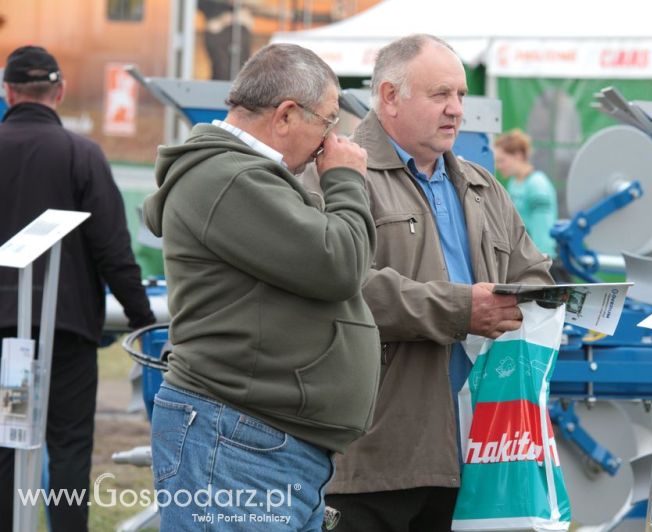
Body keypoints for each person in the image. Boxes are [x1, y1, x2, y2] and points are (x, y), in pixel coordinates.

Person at [142, 43, 380, 530]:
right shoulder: (228, 178)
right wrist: (345, 182)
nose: (329, 141)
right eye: (328, 122)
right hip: (237, 440)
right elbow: (339, 262)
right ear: (288, 115)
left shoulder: (240, 174)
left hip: (254, 439)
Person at [324, 34, 554, 531]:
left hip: (477, 448)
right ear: (389, 97)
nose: (455, 110)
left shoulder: (479, 184)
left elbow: (531, 271)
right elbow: (340, 285)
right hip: (374, 455)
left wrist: (539, 299)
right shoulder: (340, 176)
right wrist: (457, 309)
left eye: (461, 96)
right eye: (440, 95)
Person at [0, 45, 155, 532]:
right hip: (65, 330)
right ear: (60, 91)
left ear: (7, 92)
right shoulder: (82, 154)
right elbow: (113, 247)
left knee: (5, 445)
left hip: (2, 336)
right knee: (68, 448)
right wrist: (142, 318)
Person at [494, 129, 571, 283]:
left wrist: (537, 269)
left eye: (502, 160)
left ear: (518, 156)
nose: (499, 166)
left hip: (544, 264)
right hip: (526, 262)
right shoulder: (514, 183)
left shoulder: (537, 185)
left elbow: (543, 236)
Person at [198, 0, 256, 80]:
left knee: (242, 70)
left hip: (239, 27)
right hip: (216, 28)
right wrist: (222, 19)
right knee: (221, 70)